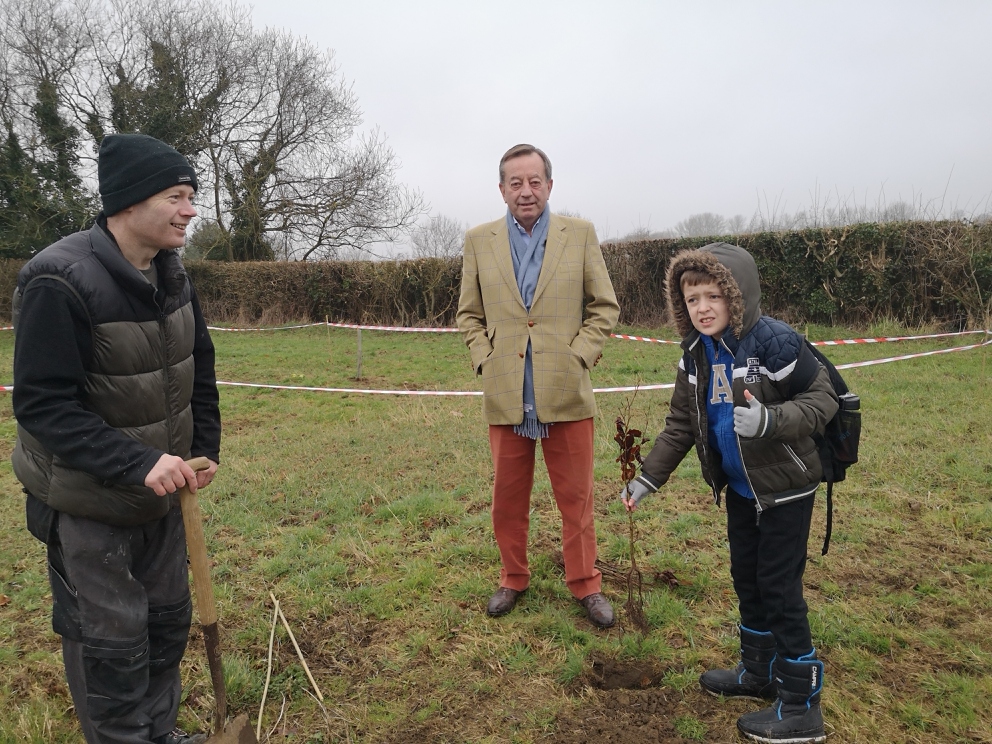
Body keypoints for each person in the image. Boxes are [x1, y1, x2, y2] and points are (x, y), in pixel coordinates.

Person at [11, 133, 222, 744]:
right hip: (87, 504)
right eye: (177, 197)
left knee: (163, 625)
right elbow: (44, 405)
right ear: (128, 203)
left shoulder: (172, 271)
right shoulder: (59, 279)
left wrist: (202, 448)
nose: (190, 210)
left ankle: (159, 734)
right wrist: (137, 461)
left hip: (160, 493)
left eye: (192, 196)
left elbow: (198, 366)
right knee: (112, 644)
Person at [620, 243, 837, 743]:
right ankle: (758, 673)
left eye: (713, 295)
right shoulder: (697, 353)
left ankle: (802, 705)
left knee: (779, 590)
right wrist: (647, 479)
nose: (701, 307)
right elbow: (680, 424)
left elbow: (821, 398)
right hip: (741, 492)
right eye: (691, 298)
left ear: (737, 296)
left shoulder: (775, 343)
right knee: (747, 580)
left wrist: (770, 420)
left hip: (785, 489)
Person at [456, 144, 620, 628]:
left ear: (549, 184)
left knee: (578, 498)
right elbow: (469, 313)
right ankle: (512, 577)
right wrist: (484, 358)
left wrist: (578, 356)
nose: (525, 191)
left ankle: (586, 583)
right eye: (515, 182)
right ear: (502, 188)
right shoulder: (478, 240)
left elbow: (604, 306)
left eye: (534, 181)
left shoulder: (581, 234)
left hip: (566, 394)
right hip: (507, 393)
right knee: (507, 498)